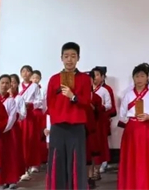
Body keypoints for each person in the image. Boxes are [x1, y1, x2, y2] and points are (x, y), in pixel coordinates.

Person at [46, 42, 93, 189]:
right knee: (57, 162)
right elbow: (49, 104)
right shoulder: (54, 79)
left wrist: (73, 97)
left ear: (78, 58)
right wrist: (50, 125)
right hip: (58, 127)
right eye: (66, 56)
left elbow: (87, 102)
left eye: (73, 56)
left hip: (76, 127)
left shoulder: (84, 79)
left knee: (76, 163)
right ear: (61, 58)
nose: (69, 60)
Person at [117, 64, 149, 190]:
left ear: (147, 78)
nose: (139, 79)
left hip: (147, 130)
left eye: (142, 76)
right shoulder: (128, 95)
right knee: (131, 160)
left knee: (147, 160)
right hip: (131, 131)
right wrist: (131, 119)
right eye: (137, 76)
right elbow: (122, 115)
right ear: (133, 78)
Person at [0, 74, 25, 189]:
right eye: (2, 83)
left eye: (7, 83)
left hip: (8, 132)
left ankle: (12, 179)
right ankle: (0, 181)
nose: (4, 85)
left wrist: (3, 130)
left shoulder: (11, 100)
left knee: (11, 156)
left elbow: (12, 117)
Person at [89, 67, 112, 185]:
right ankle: (90, 172)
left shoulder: (104, 91)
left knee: (99, 146)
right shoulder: (85, 92)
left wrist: (98, 108)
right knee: (90, 148)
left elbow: (109, 105)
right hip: (89, 122)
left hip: (99, 121)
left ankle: (97, 170)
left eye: (97, 75)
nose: (95, 78)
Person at [18, 65, 42, 175]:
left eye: (27, 71)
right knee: (21, 140)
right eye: (23, 71)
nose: (25, 73)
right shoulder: (18, 86)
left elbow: (39, 101)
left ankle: (32, 163)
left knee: (31, 139)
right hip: (19, 116)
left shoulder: (34, 86)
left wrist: (30, 104)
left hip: (30, 116)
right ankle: (21, 164)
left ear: (31, 74)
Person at [99, 67, 117, 174]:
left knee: (103, 140)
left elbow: (111, 105)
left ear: (103, 77)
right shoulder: (90, 88)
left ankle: (104, 162)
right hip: (93, 119)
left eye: (98, 75)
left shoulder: (107, 89)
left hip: (103, 118)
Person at [30, 70, 48, 165]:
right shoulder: (27, 89)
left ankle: (39, 160)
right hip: (30, 114)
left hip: (40, 114)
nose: (35, 79)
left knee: (39, 136)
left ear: (40, 79)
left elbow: (44, 103)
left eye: (37, 78)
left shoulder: (42, 90)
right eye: (33, 77)